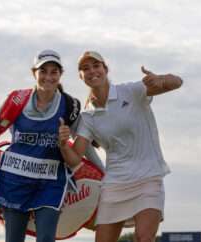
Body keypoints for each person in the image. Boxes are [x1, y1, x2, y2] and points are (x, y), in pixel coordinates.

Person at [0, 49, 87, 242]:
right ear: (34, 73)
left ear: (60, 74)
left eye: (53, 72)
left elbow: (85, 141)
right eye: (43, 71)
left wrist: (103, 172)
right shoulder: (17, 100)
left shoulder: (69, 105)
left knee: (46, 238)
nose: (48, 76)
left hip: (50, 180)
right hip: (15, 179)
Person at [58, 51, 183, 242]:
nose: (92, 71)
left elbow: (177, 82)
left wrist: (161, 79)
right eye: (85, 68)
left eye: (96, 65)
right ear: (81, 76)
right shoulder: (88, 117)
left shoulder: (131, 91)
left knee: (143, 238)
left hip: (148, 178)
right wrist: (63, 144)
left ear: (105, 69)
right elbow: (74, 158)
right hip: (115, 184)